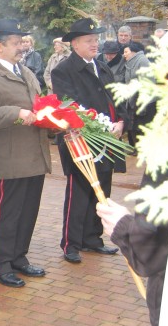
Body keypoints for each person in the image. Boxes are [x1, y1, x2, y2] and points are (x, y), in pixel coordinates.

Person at [0, 19, 51, 288]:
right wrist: (16, 113)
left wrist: (53, 118)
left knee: (27, 212)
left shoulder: (24, 71)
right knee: (6, 214)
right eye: (16, 43)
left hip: (33, 156)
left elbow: (36, 104)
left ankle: (18, 257)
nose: (21, 47)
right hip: (8, 158)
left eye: (22, 42)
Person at [51, 18, 126, 263]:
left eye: (96, 40)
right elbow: (69, 105)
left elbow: (116, 99)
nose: (95, 44)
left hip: (106, 142)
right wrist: (96, 125)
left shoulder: (102, 67)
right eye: (89, 41)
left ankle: (93, 238)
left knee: (102, 189)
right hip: (81, 142)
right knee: (79, 193)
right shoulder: (63, 70)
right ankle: (71, 243)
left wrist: (121, 121)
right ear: (75, 44)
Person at [123, 43, 151, 146]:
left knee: (140, 127)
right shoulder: (131, 62)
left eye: (126, 52)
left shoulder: (142, 61)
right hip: (132, 99)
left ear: (134, 51)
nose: (124, 54)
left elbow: (147, 81)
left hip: (141, 100)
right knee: (133, 126)